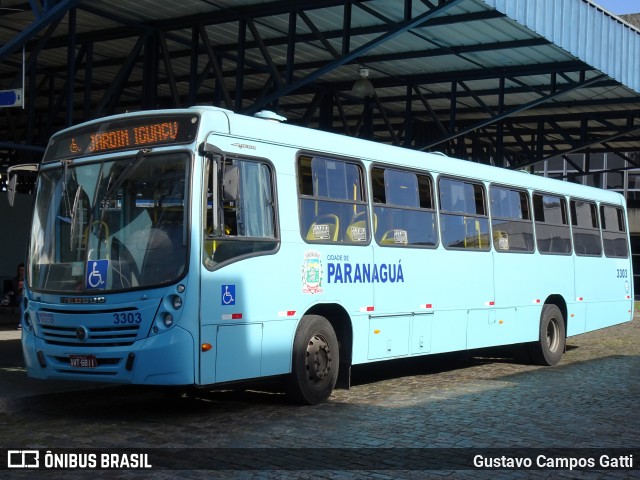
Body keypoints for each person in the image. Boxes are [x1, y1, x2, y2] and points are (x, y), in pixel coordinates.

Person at [12, 263, 24, 329]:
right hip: (19, 297)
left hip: (27, 297)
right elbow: (15, 291)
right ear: (18, 271)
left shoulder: (29, 280)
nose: (22, 272)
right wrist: (20, 287)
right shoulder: (15, 280)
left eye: (23, 270)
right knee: (22, 304)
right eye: (21, 270)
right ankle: (21, 323)